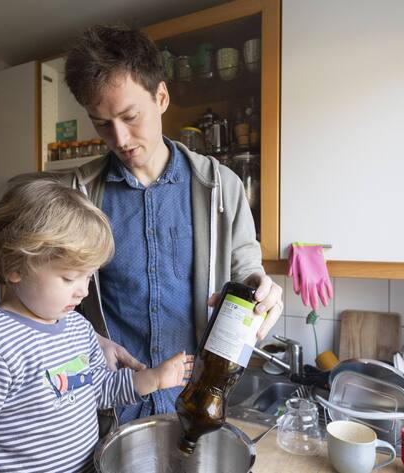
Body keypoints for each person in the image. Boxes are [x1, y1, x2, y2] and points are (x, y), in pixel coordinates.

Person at [51, 24, 285, 428]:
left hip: (195, 403)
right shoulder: (79, 193)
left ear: (161, 97)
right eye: (102, 124)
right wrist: (88, 338)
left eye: (129, 116)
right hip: (110, 404)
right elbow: (48, 296)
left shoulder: (221, 187)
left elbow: (247, 270)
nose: (119, 138)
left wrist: (262, 292)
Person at [0, 178, 188, 472]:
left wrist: (152, 380)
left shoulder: (78, 329)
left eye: (88, 277)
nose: (83, 291)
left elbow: (93, 388)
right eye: (70, 278)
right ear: (14, 267)